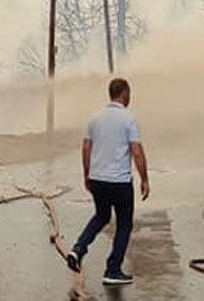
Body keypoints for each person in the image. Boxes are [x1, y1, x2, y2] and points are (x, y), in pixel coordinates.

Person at [64, 77, 149, 285]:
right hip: (119, 182)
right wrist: (144, 178)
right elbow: (136, 151)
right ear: (125, 93)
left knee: (101, 216)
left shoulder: (94, 118)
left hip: (98, 179)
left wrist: (87, 175)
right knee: (124, 224)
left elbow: (85, 148)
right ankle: (113, 270)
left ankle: (78, 249)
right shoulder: (129, 118)